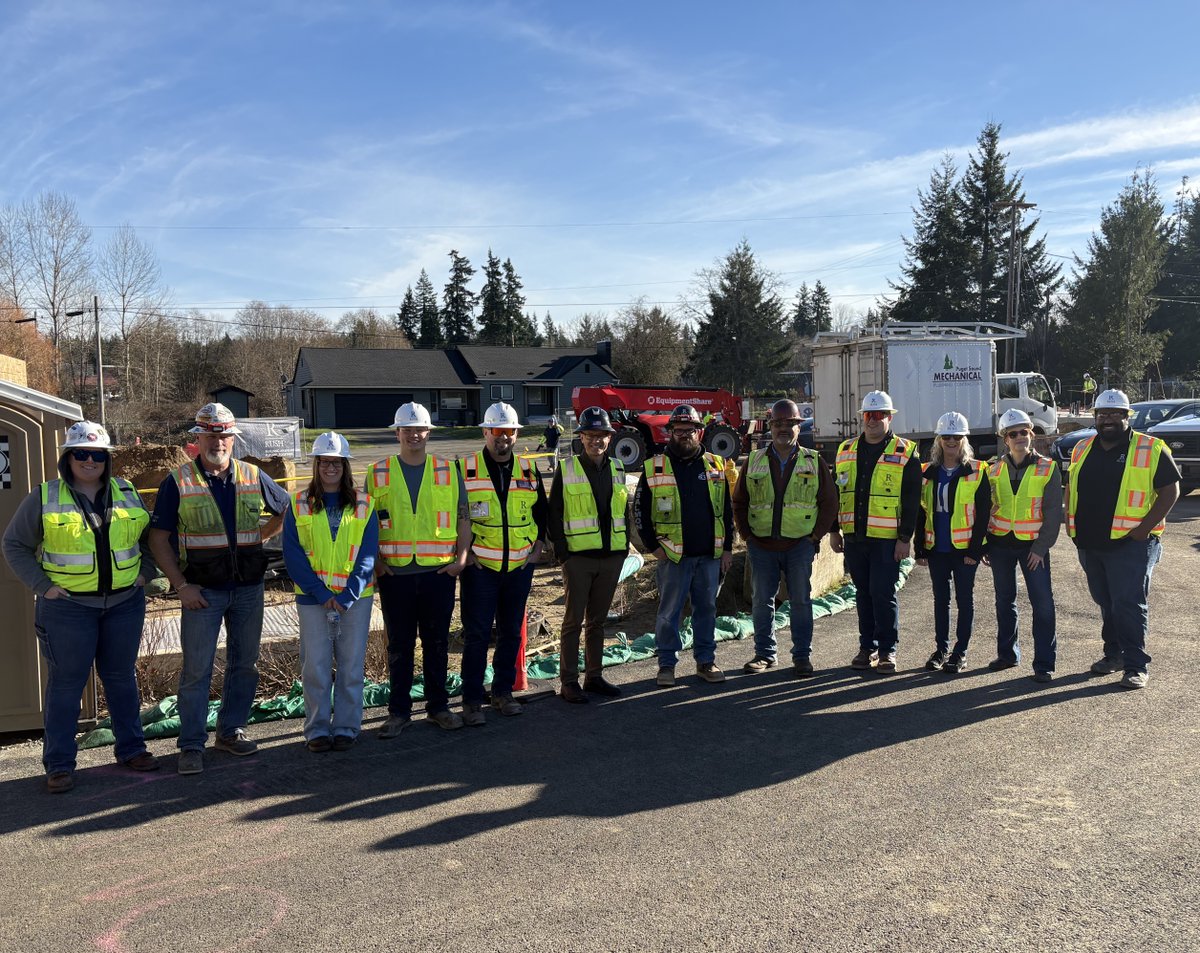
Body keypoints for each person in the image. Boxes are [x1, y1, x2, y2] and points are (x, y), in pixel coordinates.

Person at [2, 422, 160, 793]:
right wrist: (43, 586)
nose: (89, 461)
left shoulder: (127, 492)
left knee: (121, 678)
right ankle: (59, 764)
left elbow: (150, 538)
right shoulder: (44, 496)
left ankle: (132, 749)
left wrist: (146, 575)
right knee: (66, 686)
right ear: (67, 458)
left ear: (107, 459)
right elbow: (14, 545)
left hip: (124, 603)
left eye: (97, 455)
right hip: (68, 609)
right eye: (81, 454)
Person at [148, 402, 289, 776]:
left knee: (245, 664)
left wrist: (258, 538)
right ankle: (192, 745)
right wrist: (180, 585)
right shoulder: (178, 481)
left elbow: (287, 510)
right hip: (202, 593)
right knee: (196, 670)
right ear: (198, 439)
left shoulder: (251, 475)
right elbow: (158, 538)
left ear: (233, 438)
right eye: (211, 435)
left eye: (225, 435)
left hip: (247, 588)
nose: (219, 442)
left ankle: (230, 731)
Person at [1065, 389, 1181, 689]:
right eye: (1103, 414)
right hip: (1090, 542)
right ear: (1095, 417)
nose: (1109, 420)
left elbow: (1170, 492)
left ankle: (1136, 665)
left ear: (1127, 417)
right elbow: (1071, 487)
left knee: (1129, 604)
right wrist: (1070, 524)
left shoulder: (1150, 448)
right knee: (1106, 602)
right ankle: (1113, 654)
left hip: (1131, 544)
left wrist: (1143, 530)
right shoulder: (1081, 448)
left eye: (1116, 414)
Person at [368, 403, 471, 738]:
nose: (414, 435)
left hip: (437, 574)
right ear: (397, 433)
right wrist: (376, 561)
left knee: (437, 642)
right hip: (395, 575)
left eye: (420, 429)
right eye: (407, 429)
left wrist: (461, 559)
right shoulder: (377, 473)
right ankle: (398, 713)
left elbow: (463, 519)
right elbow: (365, 524)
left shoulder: (447, 470)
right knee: (399, 646)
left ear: (428, 433)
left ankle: (438, 707)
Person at [281, 432, 379, 751]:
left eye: (336, 462)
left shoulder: (364, 503)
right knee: (316, 666)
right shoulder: (298, 503)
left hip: (355, 600)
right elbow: (293, 555)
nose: (330, 468)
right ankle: (318, 730)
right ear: (316, 464)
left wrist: (348, 594)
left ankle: (348, 727)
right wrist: (321, 594)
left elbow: (368, 553)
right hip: (313, 600)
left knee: (351, 666)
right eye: (324, 462)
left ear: (345, 465)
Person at [732, 398, 838, 678]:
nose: (783, 429)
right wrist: (747, 536)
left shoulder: (813, 461)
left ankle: (802, 656)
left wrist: (815, 537)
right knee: (761, 601)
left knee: (801, 601)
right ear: (770, 426)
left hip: (799, 546)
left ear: (797, 427)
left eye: (789, 424)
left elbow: (829, 502)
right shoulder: (753, 461)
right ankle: (764, 654)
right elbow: (739, 502)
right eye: (778, 423)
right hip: (762, 546)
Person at [458, 402, 549, 725]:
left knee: (511, 633)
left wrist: (539, 547)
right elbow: (456, 516)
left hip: (518, 568)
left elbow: (542, 512)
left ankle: (502, 693)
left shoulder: (528, 470)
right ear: (486, 432)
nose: (504, 437)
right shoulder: (465, 469)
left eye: (509, 431)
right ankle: (471, 701)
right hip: (480, 570)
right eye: (497, 431)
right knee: (477, 635)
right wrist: (465, 555)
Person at [633, 404, 734, 687]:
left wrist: (728, 547)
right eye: (678, 431)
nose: (684, 435)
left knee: (706, 610)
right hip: (673, 557)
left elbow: (725, 509)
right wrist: (652, 546)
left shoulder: (715, 465)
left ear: (699, 432)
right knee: (669, 614)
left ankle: (706, 661)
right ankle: (667, 665)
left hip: (708, 555)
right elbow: (639, 510)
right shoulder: (654, 467)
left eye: (689, 430)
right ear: (670, 433)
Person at [829, 390, 921, 674]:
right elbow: (836, 493)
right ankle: (866, 647)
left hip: (887, 541)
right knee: (863, 593)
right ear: (863, 418)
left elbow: (911, 498)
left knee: (883, 594)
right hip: (855, 538)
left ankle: (887, 651)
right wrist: (834, 531)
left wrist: (905, 538)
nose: (873, 420)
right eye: (869, 415)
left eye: (880, 415)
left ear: (889, 418)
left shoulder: (906, 452)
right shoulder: (845, 449)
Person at [547, 406, 629, 703]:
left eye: (602, 436)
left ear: (609, 438)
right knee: (573, 622)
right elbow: (554, 511)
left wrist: (622, 549)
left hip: (611, 557)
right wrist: (563, 553)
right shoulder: (567, 468)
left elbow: (623, 513)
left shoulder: (618, 468)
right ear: (581, 437)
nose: (597, 441)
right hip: (578, 558)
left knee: (597, 621)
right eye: (591, 435)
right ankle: (568, 681)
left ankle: (594, 676)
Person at [984, 408, 1061, 682]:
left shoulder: (1048, 468)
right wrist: (985, 544)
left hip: (1033, 549)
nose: (1019, 437)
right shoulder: (992, 469)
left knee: (1043, 605)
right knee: (1004, 601)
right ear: (1005, 439)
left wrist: (1041, 548)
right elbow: (984, 509)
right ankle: (1007, 654)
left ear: (1031, 434)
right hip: (1000, 545)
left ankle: (1044, 664)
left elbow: (1053, 513)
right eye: (1013, 433)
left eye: (1024, 432)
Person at [914, 412, 991, 674]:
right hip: (937, 548)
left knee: (965, 601)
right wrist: (920, 547)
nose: (951, 441)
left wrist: (975, 550)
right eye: (946, 436)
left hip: (964, 550)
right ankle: (941, 649)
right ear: (938, 440)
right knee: (941, 600)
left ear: (964, 439)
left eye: (956, 437)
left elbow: (984, 513)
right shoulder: (928, 471)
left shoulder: (978, 470)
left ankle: (960, 653)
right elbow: (920, 511)